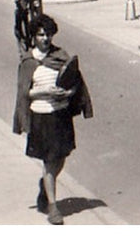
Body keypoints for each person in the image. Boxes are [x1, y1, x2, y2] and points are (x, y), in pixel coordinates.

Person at [13, 15, 92, 226]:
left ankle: (45, 186)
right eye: (40, 35)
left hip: (61, 114)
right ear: (34, 36)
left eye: (48, 34)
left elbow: (75, 81)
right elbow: (24, 93)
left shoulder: (60, 56)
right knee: (49, 160)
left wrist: (67, 93)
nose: (45, 38)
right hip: (41, 115)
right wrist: (45, 91)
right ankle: (53, 207)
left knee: (61, 157)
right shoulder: (29, 62)